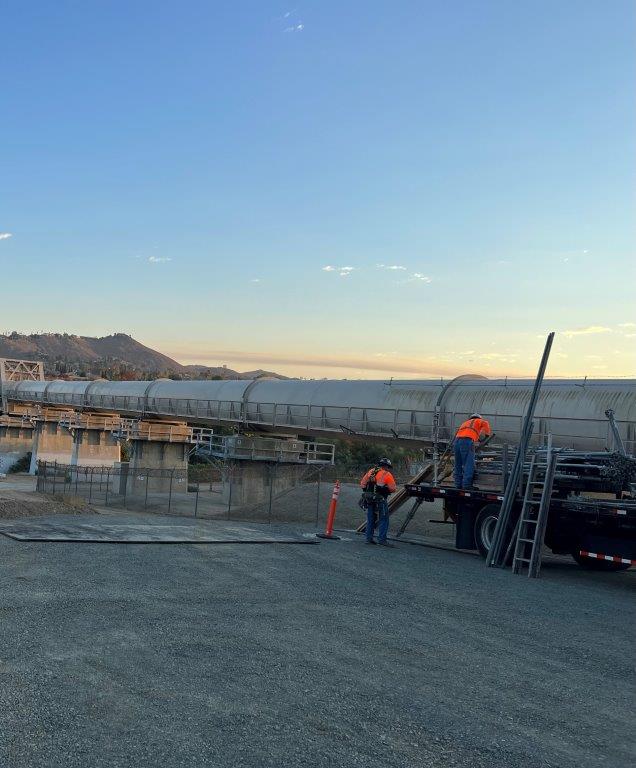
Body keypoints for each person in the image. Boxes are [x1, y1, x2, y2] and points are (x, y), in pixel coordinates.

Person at [359, 457, 397, 546]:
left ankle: (369, 539)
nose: (388, 469)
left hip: (369, 499)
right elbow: (393, 489)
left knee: (371, 519)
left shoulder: (371, 471)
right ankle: (382, 540)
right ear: (386, 466)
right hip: (380, 499)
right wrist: (384, 489)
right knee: (384, 519)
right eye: (388, 467)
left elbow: (362, 484)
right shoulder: (387, 474)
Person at [453, 414, 492, 490]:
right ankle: (466, 485)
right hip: (466, 441)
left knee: (458, 463)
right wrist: (487, 436)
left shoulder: (465, 423)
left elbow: (469, 432)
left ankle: (458, 484)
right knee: (468, 463)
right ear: (479, 418)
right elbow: (485, 423)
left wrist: (478, 440)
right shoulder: (478, 421)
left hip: (457, 441)